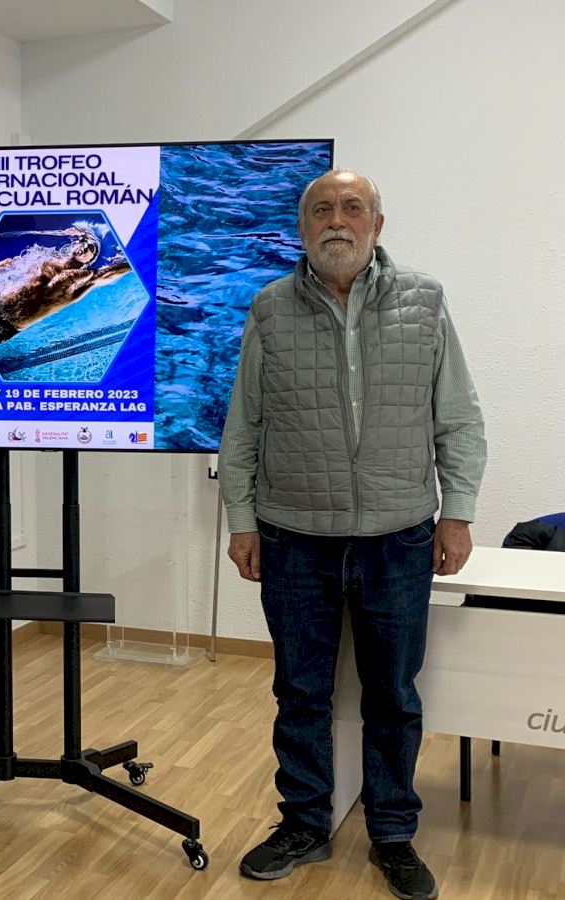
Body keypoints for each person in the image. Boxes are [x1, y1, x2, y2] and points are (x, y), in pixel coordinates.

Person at [219, 169, 485, 900]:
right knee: (300, 692)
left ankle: (392, 833)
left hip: (399, 538)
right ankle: (304, 823)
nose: (337, 220)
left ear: (377, 223)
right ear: (303, 226)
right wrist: (241, 520)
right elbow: (243, 425)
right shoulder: (269, 307)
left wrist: (457, 512)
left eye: (352, 208)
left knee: (392, 695)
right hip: (292, 537)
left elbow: (458, 418)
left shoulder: (424, 301)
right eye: (322, 210)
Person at [0, 226, 132, 347]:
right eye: (84, 243)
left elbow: (108, 273)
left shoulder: (81, 279)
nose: (85, 246)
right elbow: (13, 268)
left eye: (91, 249)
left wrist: (133, 262)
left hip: (8, 325)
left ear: (89, 260)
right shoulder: (46, 258)